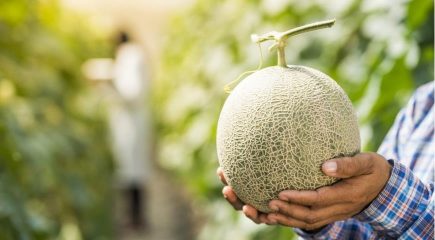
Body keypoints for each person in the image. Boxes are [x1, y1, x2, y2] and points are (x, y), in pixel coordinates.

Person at [218, 81, 434, 239]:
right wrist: (321, 216)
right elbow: (371, 235)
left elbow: (380, 200)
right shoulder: (424, 105)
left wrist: (382, 196)